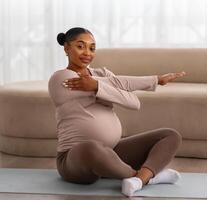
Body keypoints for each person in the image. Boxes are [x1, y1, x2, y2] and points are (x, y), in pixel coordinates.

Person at [48, 27, 187, 196]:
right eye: (80, 46)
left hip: (112, 152)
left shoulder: (102, 74)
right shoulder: (61, 78)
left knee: (170, 135)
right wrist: (154, 80)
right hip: (74, 159)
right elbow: (118, 84)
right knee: (92, 147)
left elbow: (134, 102)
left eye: (92, 48)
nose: (87, 53)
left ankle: (138, 179)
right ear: (67, 48)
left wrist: (97, 86)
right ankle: (144, 177)